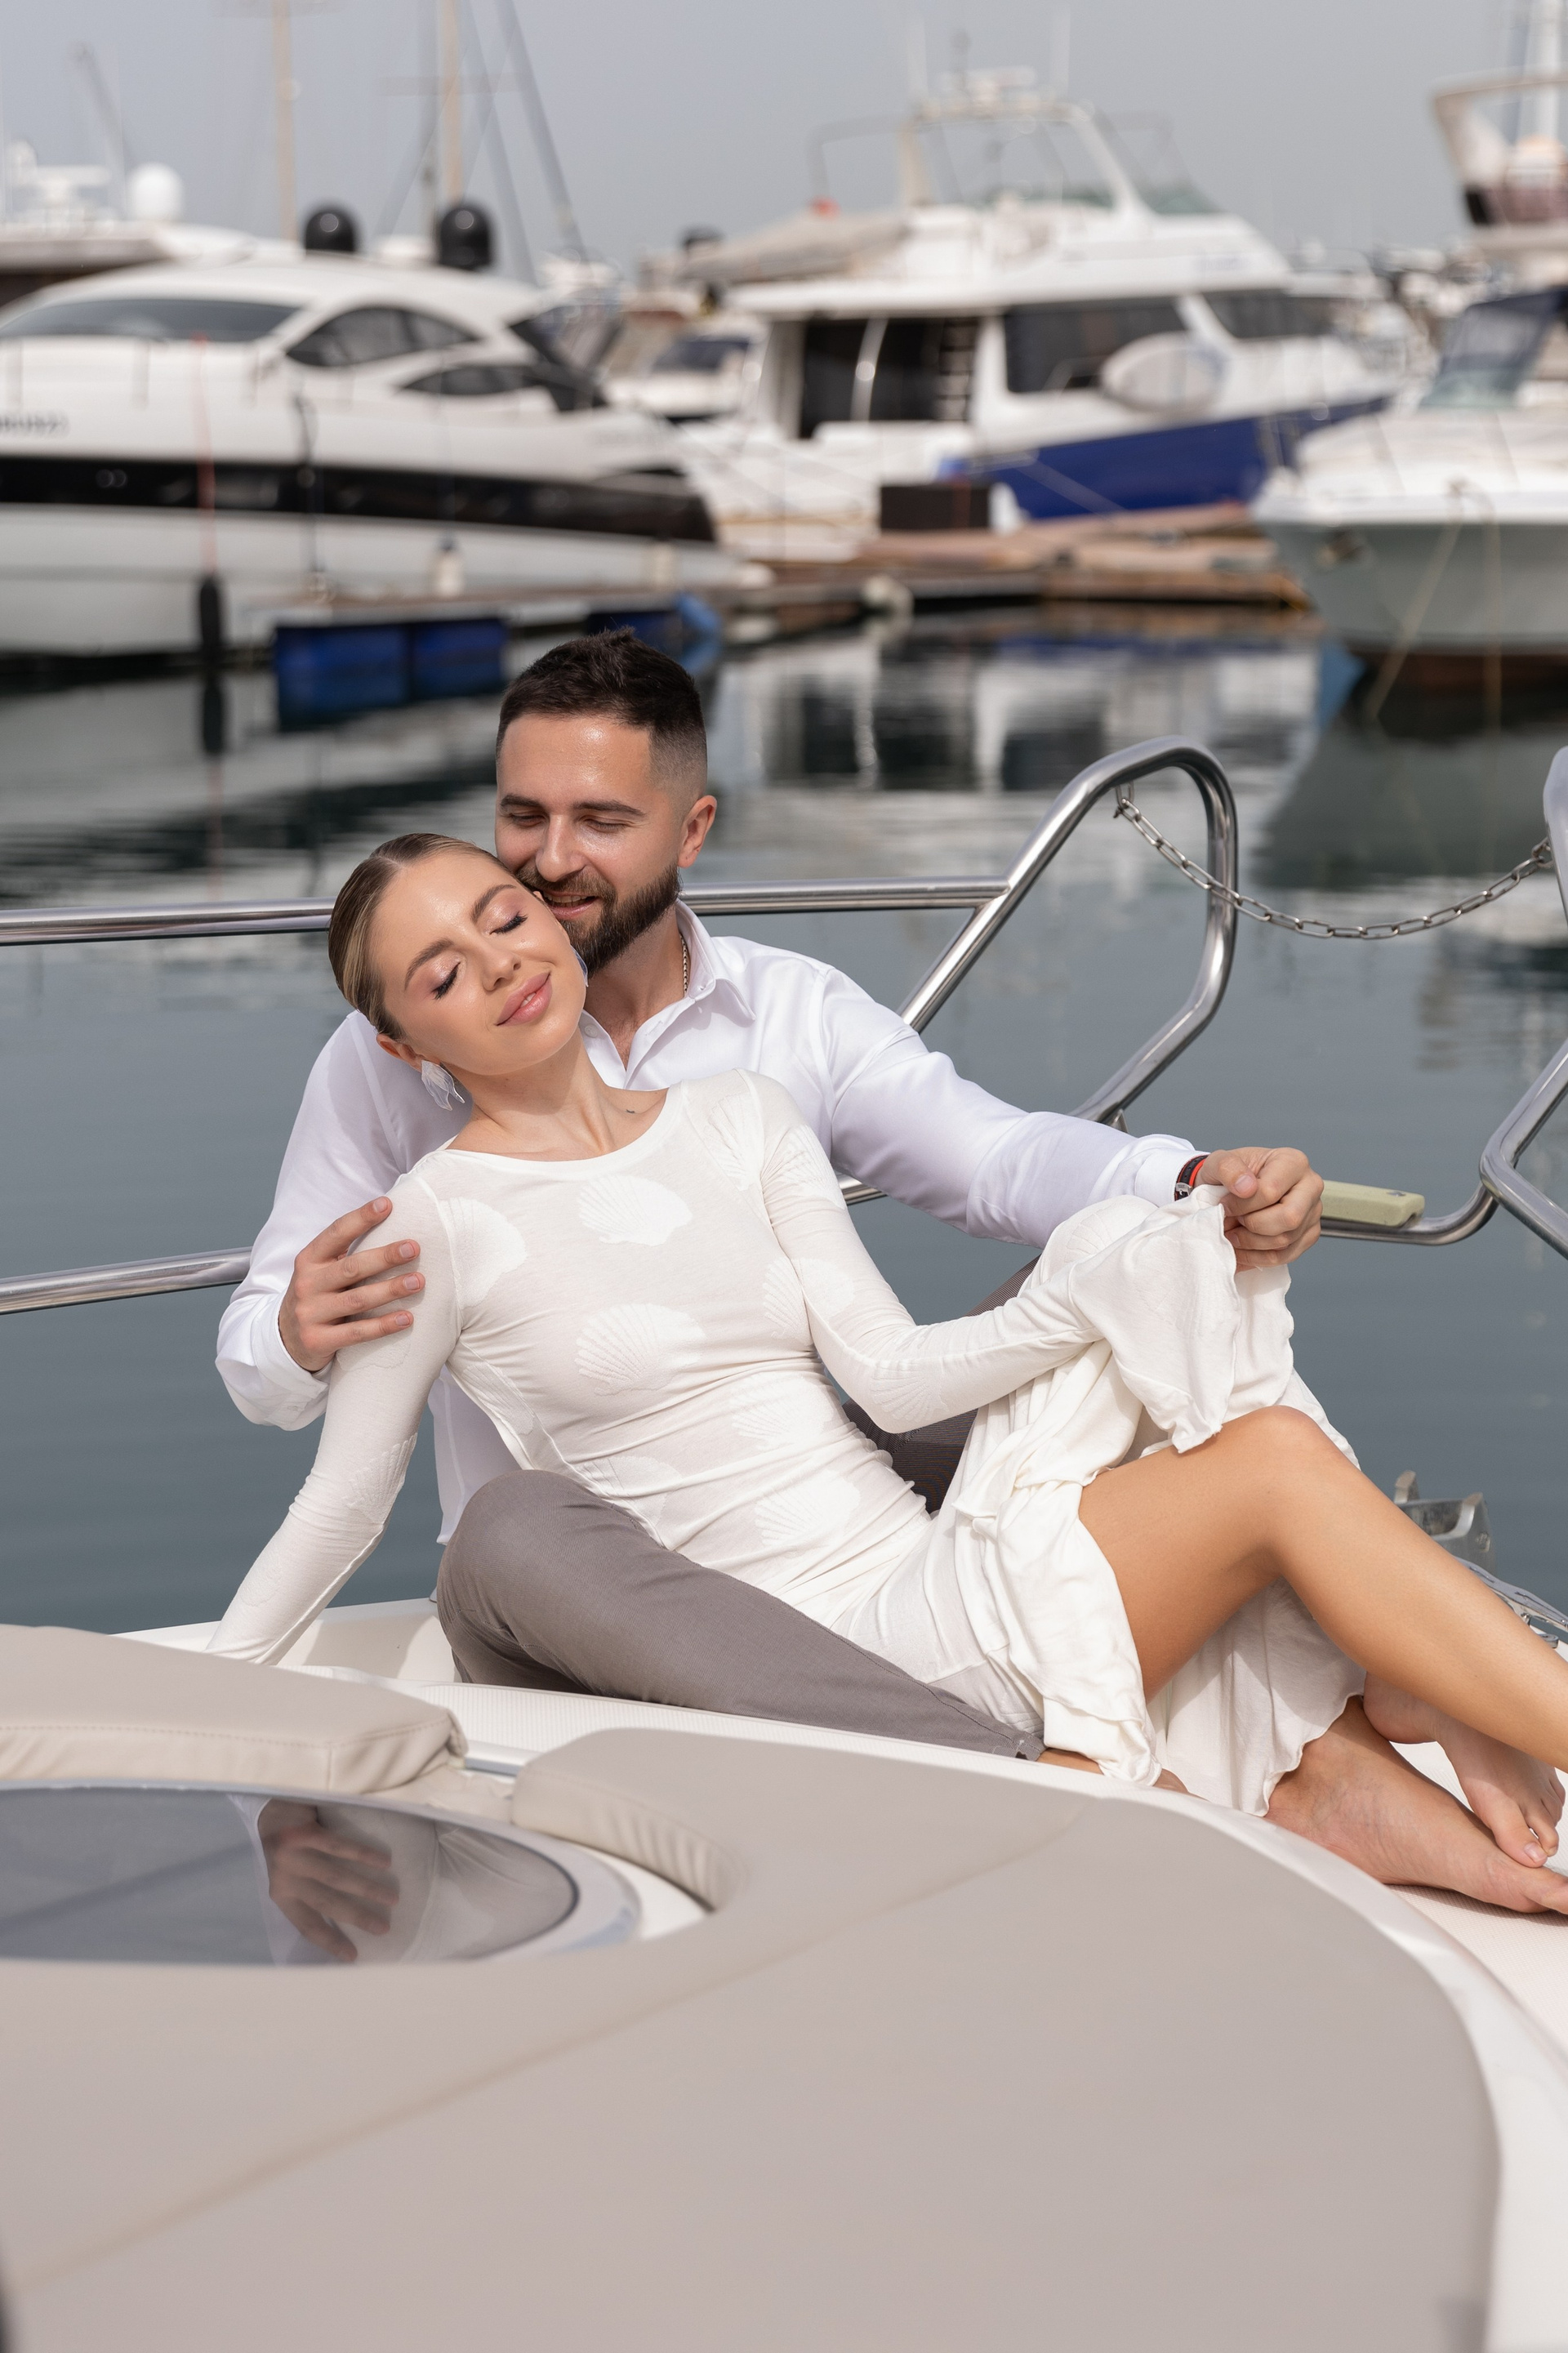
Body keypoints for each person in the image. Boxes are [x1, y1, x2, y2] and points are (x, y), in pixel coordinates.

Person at [212, 834, 1567, 1945]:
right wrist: (199, 1702)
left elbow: (892, 1375)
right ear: (404, 1043)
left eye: (505, 917)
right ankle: (1379, 1694)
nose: (501, 963)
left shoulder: (742, 1113)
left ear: (552, 923)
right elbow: (345, 1505)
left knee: (1177, 1306)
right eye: (443, 972)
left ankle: (1390, 1703)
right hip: (788, 1661)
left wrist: (1093, 1281)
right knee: (1188, 1371)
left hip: (939, 1579)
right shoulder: (432, 1220)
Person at [218, 630, 1324, 1757]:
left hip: (828, 1477)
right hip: (584, 1570)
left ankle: (1312, 1725)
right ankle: (1019, 1762)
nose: (551, 860)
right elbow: (275, 1382)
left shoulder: (786, 1021)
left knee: (1144, 1257)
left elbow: (991, 1159)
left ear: (691, 829)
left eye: (601, 821)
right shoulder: (388, 1056)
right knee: (512, 1527)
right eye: (522, 817)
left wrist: (1186, 1185)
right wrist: (298, 1333)